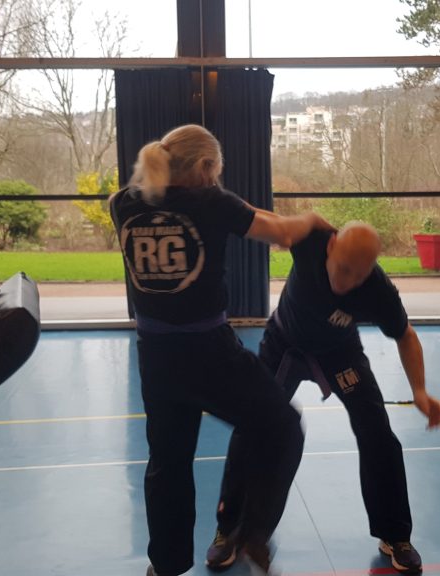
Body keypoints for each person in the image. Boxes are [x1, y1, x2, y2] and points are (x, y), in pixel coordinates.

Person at [109, 124, 333, 576]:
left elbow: (231, 209)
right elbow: (282, 232)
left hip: (156, 358)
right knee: (283, 427)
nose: (215, 180)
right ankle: (250, 533)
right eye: (214, 172)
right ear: (205, 167)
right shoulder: (211, 202)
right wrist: (311, 221)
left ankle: (165, 565)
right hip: (210, 355)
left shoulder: (122, 203)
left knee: (168, 464)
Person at [207, 221, 440, 575]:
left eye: (359, 276)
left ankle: (395, 535)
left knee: (377, 432)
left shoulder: (377, 290)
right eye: (344, 269)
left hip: (340, 353)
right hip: (284, 344)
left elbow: (406, 336)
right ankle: (229, 529)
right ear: (331, 246)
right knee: (251, 427)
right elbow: (265, 224)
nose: (348, 281)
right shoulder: (310, 241)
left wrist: (420, 391)